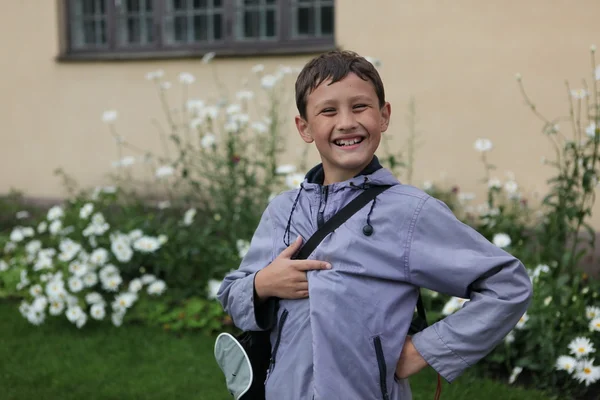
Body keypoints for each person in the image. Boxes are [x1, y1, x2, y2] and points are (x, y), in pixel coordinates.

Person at [217, 50, 533, 400]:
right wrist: (262, 283)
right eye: (328, 110)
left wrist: (422, 350)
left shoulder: (410, 213)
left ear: (384, 116)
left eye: (360, 106)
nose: (347, 122)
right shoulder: (282, 211)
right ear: (304, 127)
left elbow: (508, 285)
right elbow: (233, 296)